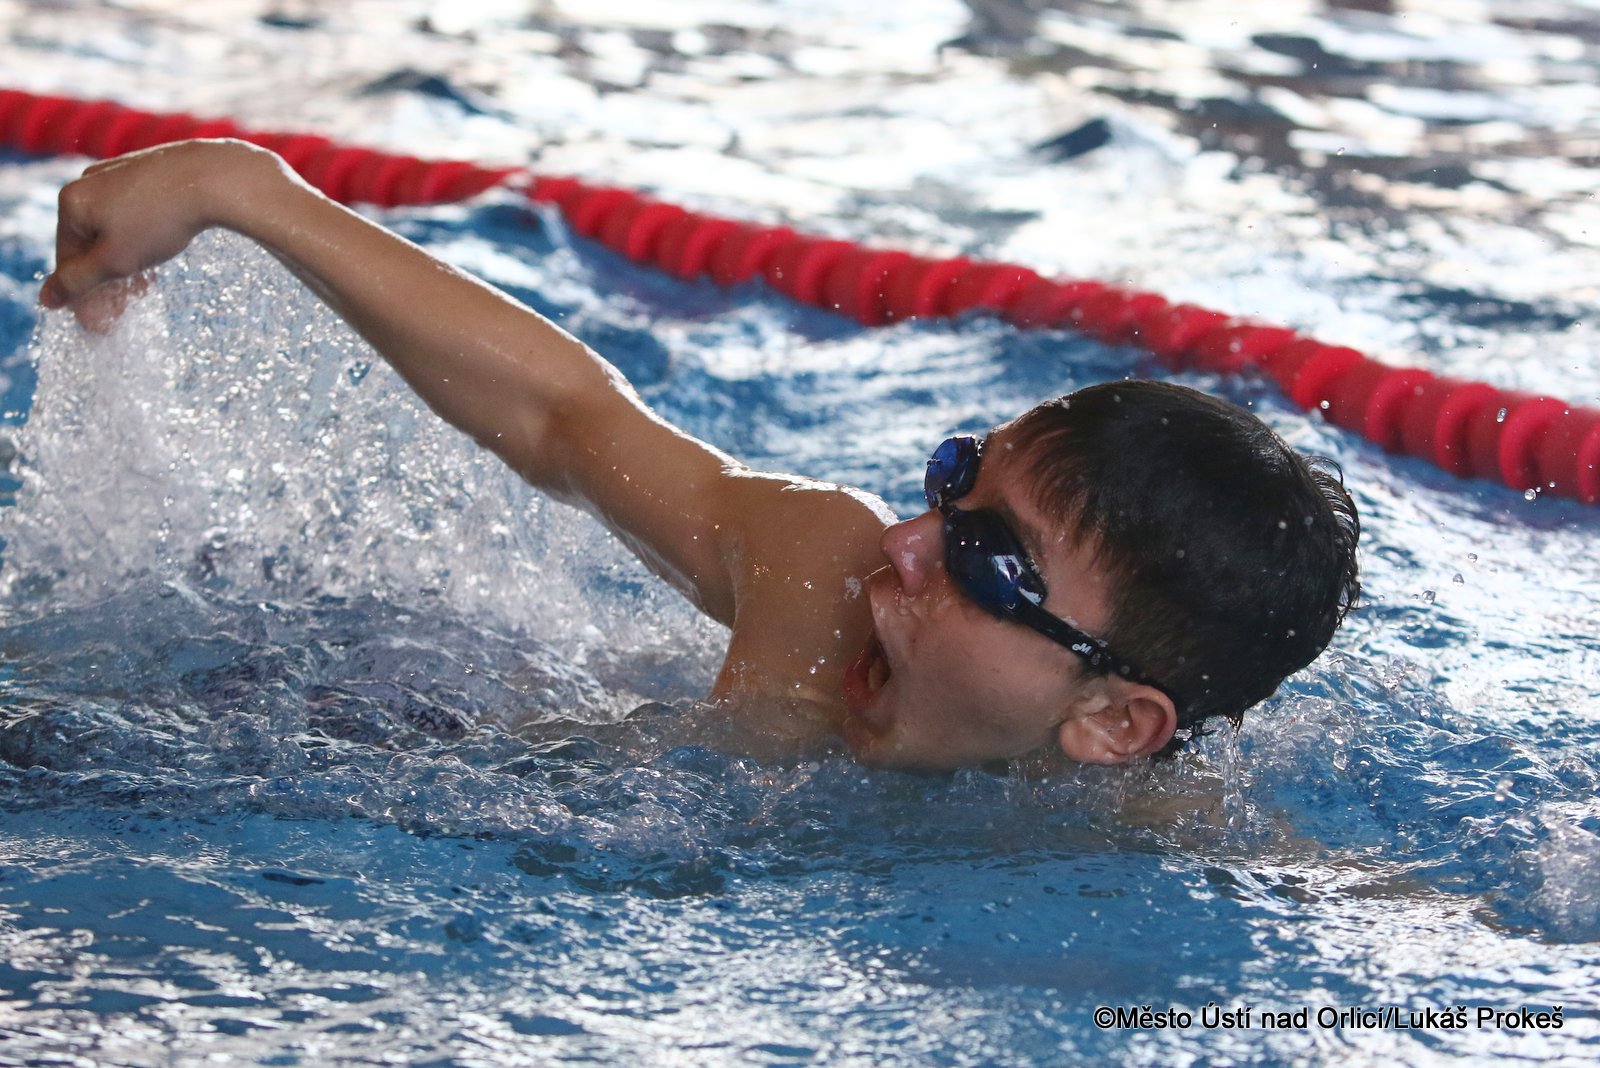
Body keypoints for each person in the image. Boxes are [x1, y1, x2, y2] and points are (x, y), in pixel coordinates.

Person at [39, 139, 1361, 772]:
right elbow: (567, 419)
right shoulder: (823, 571)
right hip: (380, 711)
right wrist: (244, 192)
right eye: (953, 480)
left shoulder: (1140, 865)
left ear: (1115, 724)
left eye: (987, 560)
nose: (907, 540)